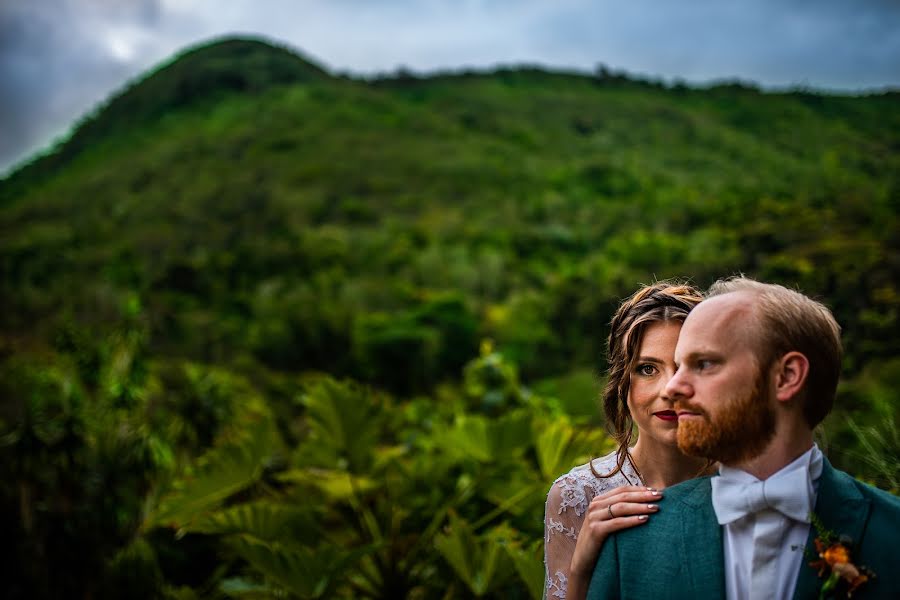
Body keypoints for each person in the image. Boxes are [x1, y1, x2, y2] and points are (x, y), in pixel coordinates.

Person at [587, 276, 900, 600]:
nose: (672, 388)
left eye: (704, 364)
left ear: (787, 376)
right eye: (677, 367)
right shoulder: (632, 541)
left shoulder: (892, 534)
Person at [543, 281, 714, 600]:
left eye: (685, 366)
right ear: (623, 381)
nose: (669, 389)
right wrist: (582, 568)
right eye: (647, 369)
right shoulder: (576, 496)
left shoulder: (745, 483)